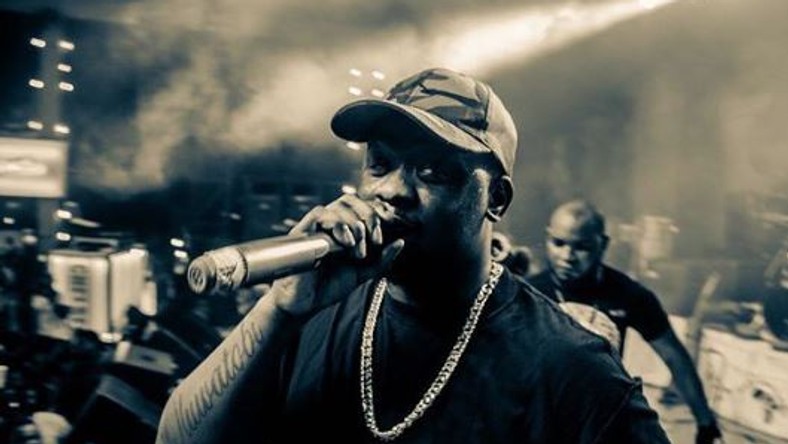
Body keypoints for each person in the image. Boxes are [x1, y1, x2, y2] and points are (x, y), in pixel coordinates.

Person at [156, 68, 670, 443]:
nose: (393, 191)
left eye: (433, 172)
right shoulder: (309, 316)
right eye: (380, 164)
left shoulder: (569, 368)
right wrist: (279, 309)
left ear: (495, 199)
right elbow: (176, 438)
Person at [527, 200, 722, 444]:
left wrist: (705, 423)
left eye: (582, 247)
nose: (567, 256)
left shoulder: (629, 294)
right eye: (558, 243)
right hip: (543, 414)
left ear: (602, 245)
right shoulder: (527, 292)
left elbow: (674, 356)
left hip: (602, 414)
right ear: (547, 238)